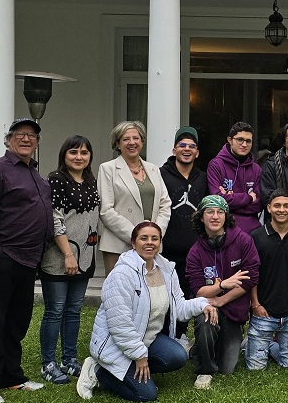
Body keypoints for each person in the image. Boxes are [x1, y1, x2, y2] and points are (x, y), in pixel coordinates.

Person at [77, 222, 215, 403]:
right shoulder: (122, 274)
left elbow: (178, 306)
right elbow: (120, 325)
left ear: (160, 243)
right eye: (144, 238)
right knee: (146, 395)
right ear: (133, 243)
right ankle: (98, 371)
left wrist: (202, 304)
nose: (149, 243)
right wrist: (139, 356)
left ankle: (133, 373)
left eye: (154, 238)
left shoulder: (166, 270)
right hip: (116, 345)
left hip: (146, 340)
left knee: (178, 356)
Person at [0, 117, 54, 403]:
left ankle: (11, 377)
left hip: (29, 261)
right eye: (20, 134)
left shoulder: (35, 174)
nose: (26, 139)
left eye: (32, 135)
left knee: (17, 322)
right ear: (8, 139)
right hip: (2, 258)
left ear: (37, 142)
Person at [37, 135, 100, 384]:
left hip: (85, 257)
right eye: (73, 152)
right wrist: (68, 255)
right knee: (55, 310)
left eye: (84, 153)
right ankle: (48, 363)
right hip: (59, 258)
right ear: (64, 155)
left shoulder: (91, 181)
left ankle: (69, 359)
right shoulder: (55, 180)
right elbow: (54, 220)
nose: (79, 157)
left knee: (74, 310)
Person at [185, 194, 259, 388]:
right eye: (209, 212)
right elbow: (198, 290)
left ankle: (200, 347)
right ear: (201, 217)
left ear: (226, 216)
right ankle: (205, 370)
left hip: (233, 309)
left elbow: (251, 278)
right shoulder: (195, 251)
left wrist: (221, 299)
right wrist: (221, 286)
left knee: (227, 367)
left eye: (220, 212)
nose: (215, 216)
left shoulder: (243, 240)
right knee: (205, 319)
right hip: (209, 306)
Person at [97, 120, 171, 275]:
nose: (132, 142)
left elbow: (165, 204)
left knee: (149, 294)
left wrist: (153, 235)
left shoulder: (153, 169)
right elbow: (106, 210)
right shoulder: (107, 169)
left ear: (142, 141)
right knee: (120, 295)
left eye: (136, 138)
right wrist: (137, 236)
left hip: (151, 247)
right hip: (119, 245)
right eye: (125, 139)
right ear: (117, 144)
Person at [248, 190, 288, 369]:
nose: (282, 210)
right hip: (263, 313)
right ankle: (258, 343)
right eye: (277, 205)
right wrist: (255, 305)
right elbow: (251, 274)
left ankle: (271, 347)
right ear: (269, 208)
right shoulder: (256, 236)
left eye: (286, 206)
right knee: (256, 368)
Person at [159, 126, 208, 335]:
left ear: (197, 152)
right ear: (174, 150)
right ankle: (164, 336)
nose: (186, 149)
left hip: (196, 251)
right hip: (167, 250)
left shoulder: (203, 178)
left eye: (192, 146)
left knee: (190, 296)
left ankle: (181, 335)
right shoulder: (160, 175)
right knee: (165, 298)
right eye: (182, 145)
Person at [206, 122, 261, 236]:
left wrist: (230, 201)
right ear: (230, 140)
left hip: (253, 233)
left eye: (248, 141)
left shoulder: (256, 169)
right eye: (240, 139)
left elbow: (259, 204)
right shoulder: (216, 165)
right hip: (224, 233)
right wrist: (248, 198)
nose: (244, 144)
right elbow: (217, 201)